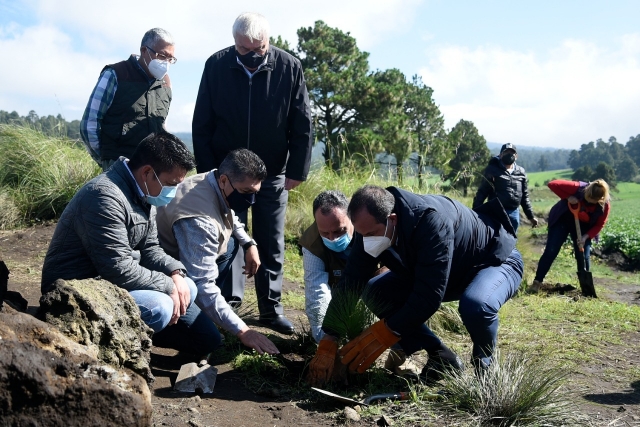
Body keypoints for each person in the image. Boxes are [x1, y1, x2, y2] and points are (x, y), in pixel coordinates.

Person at [307, 185, 524, 387]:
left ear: (392, 219)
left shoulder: (430, 222)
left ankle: (486, 376)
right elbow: (351, 280)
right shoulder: (372, 229)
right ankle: (442, 357)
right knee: (376, 291)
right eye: (361, 235)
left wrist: (385, 332)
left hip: (494, 262)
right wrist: (330, 336)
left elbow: (428, 296)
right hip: (448, 274)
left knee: (476, 305)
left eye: (371, 234)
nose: (365, 241)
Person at [41, 132, 220, 356]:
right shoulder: (104, 197)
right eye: (170, 184)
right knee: (160, 307)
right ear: (147, 172)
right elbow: (117, 269)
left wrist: (175, 272)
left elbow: (151, 249)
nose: (172, 193)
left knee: (190, 294)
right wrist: (168, 285)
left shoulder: (144, 192)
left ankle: (141, 336)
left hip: (112, 282)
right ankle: (116, 351)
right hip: (77, 289)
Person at [192, 12, 313, 335]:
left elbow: (302, 124)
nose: (253, 55)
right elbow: (201, 122)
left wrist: (297, 169)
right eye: (244, 50)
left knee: (271, 240)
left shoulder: (289, 67)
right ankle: (229, 305)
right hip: (227, 174)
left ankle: (270, 310)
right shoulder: (216, 66)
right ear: (235, 43)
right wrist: (209, 172)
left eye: (259, 48)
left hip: (272, 173)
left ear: (267, 42)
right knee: (229, 236)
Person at [156, 149, 279, 354]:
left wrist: (249, 244)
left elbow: (228, 212)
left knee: (230, 245)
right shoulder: (199, 221)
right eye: (247, 193)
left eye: (255, 192)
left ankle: (208, 313)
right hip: (165, 275)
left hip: (184, 257)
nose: (251, 200)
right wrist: (243, 331)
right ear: (224, 180)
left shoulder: (212, 180)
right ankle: (162, 329)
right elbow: (201, 283)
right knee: (209, 340)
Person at [300, 190, 416, 376]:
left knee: (388, 288)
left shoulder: (373, 227)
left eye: (339, 231)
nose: (332, 238)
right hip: (340, 295)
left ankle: (404, 350)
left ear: (352, 219)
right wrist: (326, 342)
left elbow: (408, 281)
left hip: (378, 286)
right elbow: (317, 292)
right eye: (325, 233)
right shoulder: (312, 242)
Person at [80, 28, 176, 171]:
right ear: (144, 51)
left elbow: (162, 125)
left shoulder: (166, 83)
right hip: (119, 168)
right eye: (162, 56)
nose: (166, 63)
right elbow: (89, 124)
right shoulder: (116, 74)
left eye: (170, 59)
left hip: (151, 171)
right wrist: (107, 159)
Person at [529, 179, 610, 293]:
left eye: (593, 202)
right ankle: (537, 282)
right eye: (588, 199)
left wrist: (585, 237)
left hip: (584, 226)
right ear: (586, 191)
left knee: (583, 254)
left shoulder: (604, 205)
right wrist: (567, 197)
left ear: (600, 199)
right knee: (551, 250)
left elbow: (599, 224)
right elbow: (553, 184)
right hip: (562, 219)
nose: (590, 203)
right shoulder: (578, 187)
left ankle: (586, 288)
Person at [473, 143, 538, 234]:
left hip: (514, 213)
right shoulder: (492, 170)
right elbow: (482, 192)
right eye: (506, 152)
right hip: (496, 212)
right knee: (494, 239)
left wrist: (530, 216)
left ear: (516, 156)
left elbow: (524, 196)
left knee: (511, 241)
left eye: (512, 153)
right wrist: (475, 213)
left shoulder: (521, 172)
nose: (509, 155)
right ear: (500, 155)